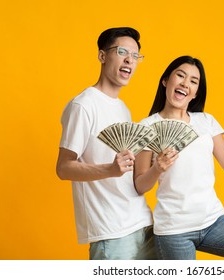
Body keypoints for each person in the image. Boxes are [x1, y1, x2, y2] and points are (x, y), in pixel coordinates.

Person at [133, 56, 224, 260]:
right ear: (165, 81)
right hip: (174, 230)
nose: (186, 83)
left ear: (195, 93)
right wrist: (157, 168)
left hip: (213, 222)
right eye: (180, 75)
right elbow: (140, 185)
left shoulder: (206, 121)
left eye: (193, 81)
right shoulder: (147, 126)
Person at [56, 27, 156, 260]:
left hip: (143, 222)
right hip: (111, 232)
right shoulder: (83, 106)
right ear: (102, 56)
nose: (130, 60)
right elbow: (63, 168)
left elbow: (131, 176)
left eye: (135, 56)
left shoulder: (123, 108)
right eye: (122, 52)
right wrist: (110, 169)